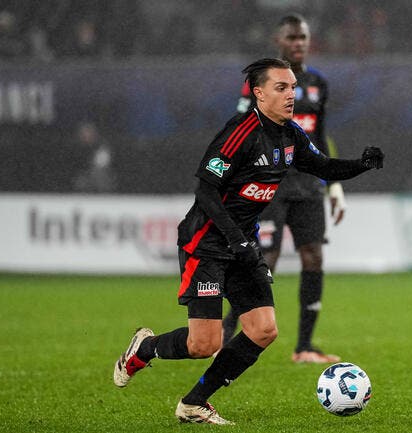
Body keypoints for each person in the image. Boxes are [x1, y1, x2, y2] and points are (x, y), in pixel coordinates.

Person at [113, 58, 384, 425]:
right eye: (282, 88)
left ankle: (194, 403)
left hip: (242, 244)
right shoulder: (240, 133)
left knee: (263, 330)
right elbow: (206, 191)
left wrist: (361, 164)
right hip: (207, 243)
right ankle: (145, 348)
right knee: (203, 345)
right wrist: (235, 238)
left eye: (293, 87)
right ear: (259, 93)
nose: (292, 95)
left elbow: (322, 168)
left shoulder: (290, 134)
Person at [223, 14, 347, 364]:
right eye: (292, 37)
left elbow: (321, 137)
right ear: (278, 41)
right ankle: (226, 331)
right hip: (270, 183)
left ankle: (304, 347)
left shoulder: (318, 84)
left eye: (303, 37)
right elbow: (239, 127)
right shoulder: (259, 82)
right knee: (266, 262)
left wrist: (334, 185)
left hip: (308, 185)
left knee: (314, 256)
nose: (298, 43)